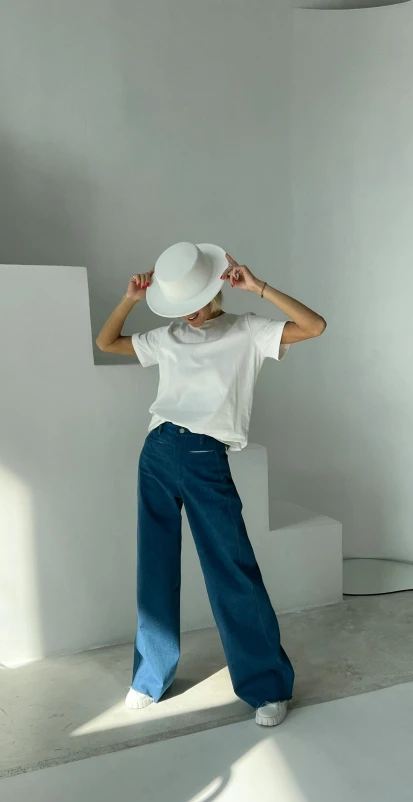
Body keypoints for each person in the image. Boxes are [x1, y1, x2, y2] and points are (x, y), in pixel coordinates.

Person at [96, 242, 326, 727]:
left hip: (205, 457)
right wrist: (130, 300)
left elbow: (315, 326)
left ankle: (266, 687)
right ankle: (149, 677)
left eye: (196, 302)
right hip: (156, 452)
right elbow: (107, 342)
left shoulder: (247, 330)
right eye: (181, 306)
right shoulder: (168, 336)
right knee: (155, 568)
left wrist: (258, 286)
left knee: (232, 570)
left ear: (215, 290)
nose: (191, 315)